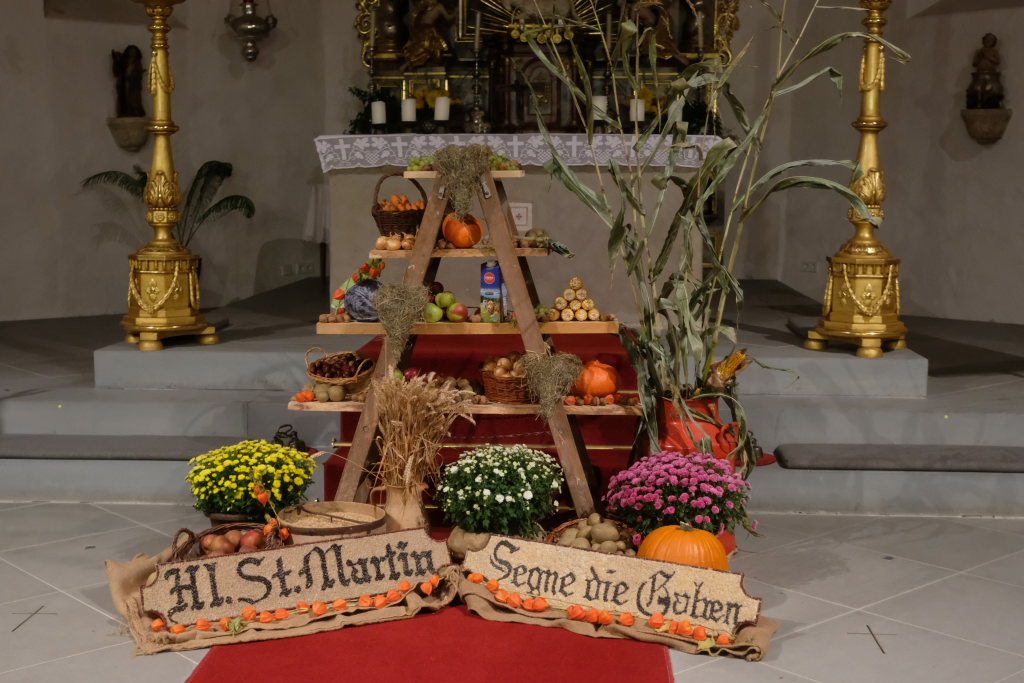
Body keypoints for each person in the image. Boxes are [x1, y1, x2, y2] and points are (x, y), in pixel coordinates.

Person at [404, 0, 453, 70]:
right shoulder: (424, 7)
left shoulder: (439, 7)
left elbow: (448, 18)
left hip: (429, 31)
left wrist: (456, 13)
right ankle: (410, 63)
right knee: (422, 48)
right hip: (421, 31)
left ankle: (411, 63)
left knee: (430, 47)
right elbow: (415, 22)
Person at [966, 33, 1004, 109]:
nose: (989, 41)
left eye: (991, 40)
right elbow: (975, 63)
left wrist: (987, 56)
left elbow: (997, 61)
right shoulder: (979, 51)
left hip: (991, 74)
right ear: (984, 40)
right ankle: (978, 103)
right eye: (987, 39)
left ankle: (994, 103)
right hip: (980, 74)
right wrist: (980, 56)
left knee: (994, 88)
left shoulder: (994, 51)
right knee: (977, 88)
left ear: (993, 42)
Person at [112, 45, 145, 118]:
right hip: (124, 82)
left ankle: (135, 110)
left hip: (134, 85)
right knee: (124, 96)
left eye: (134, 52)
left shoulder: (137, 62)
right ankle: (125, 111)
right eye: (131, 51)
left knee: (134, 98)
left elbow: (139, 73)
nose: (132, 53)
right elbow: (118, 71)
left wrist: (134, 75)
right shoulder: (124, 61)